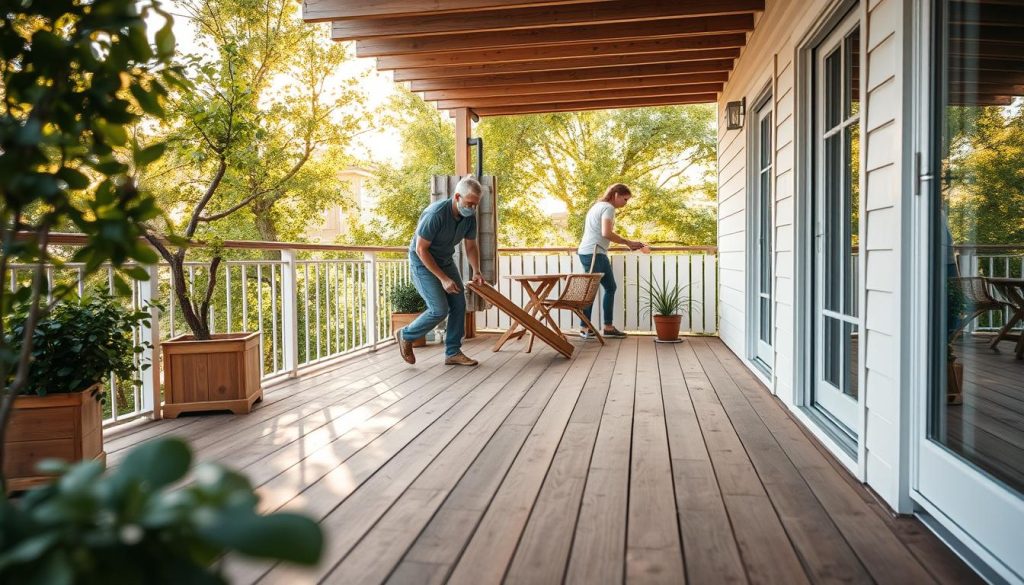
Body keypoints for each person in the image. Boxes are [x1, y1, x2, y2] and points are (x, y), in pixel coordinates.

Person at [395, 176, 485, 366]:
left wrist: (476, 271)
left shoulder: (469, 218)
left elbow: (470, 247)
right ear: (457, 196)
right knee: (439, 309)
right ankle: (406, 334)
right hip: (422, 261)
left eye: (475, 205)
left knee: (459, 304)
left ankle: (453, 352)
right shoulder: (436, 214)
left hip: (444, 260)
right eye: (469, 203)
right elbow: (421, 249)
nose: (472, 208)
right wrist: (443, 279)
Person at [577, 183, 645, 339]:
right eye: (625, 199)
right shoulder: (608, 208)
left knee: (606, 287)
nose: (626, 203)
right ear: (616, 195)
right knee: (595, 289)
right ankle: (588, 328)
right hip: (594, 253)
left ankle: (600, 327)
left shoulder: (597, 206)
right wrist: (628, 242)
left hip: (592, 252)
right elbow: (606, 233)